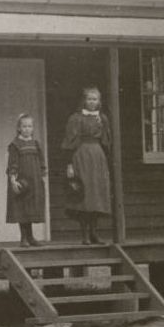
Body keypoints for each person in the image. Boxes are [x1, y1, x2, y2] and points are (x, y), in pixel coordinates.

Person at [62, 86, 111, 245]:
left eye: (95, 99)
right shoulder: (76, 118)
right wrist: (69, 164)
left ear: (99, 102)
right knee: (84, 195)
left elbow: (106, 141)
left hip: (97, 157)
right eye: (89, 99)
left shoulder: (102, 118)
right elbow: (69, 142)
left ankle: (94, 233)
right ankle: (84, 235)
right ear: (84, 100)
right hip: (81, 155)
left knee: (96, 195)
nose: (92, 102)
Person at [6, 113, 47, 247]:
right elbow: (12, 163)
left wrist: (42, 172)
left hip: (34, 180)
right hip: (22, 181)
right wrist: (13, 180)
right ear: (19, 128)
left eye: (30, 126)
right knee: (22, 208)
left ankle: (31, 237)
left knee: (31, 208)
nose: (27, 129)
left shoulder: (35, 143)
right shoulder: (15, 144)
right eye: (24, 126)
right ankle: (23, 238)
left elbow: (41, 160)